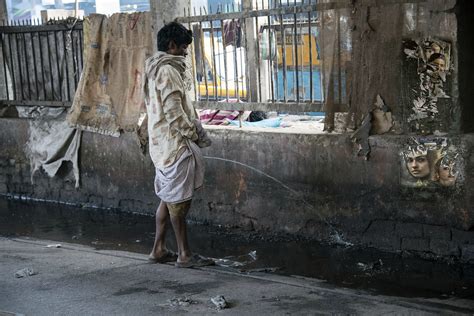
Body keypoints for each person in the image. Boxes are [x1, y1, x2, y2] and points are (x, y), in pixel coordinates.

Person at [143, 22, 213, 268]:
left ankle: (158, 249)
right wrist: (194, 135)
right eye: (183, 47)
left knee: (167, 197)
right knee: (178, 202)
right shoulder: (168, 71)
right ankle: (185, 255)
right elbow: (174, 112)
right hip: (174, 145)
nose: (185, 52)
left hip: (160, 145)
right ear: (171, 46)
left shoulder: (153, 69)